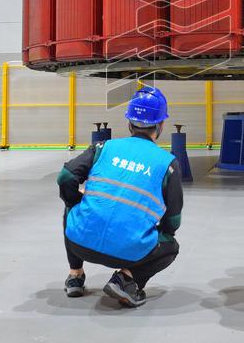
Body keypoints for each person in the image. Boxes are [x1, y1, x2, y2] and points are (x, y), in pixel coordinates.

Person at [57, 86, 183, 307]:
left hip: (80, 244)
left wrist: (74, 202)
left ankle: (75, 275)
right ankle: (126, 278)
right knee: (170, 246)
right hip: (129, 253)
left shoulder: (103, 147)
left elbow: (66, 177)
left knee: (72, 211)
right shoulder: (167, 163)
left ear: (129, 122)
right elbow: (173, 219)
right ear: (161, 125)